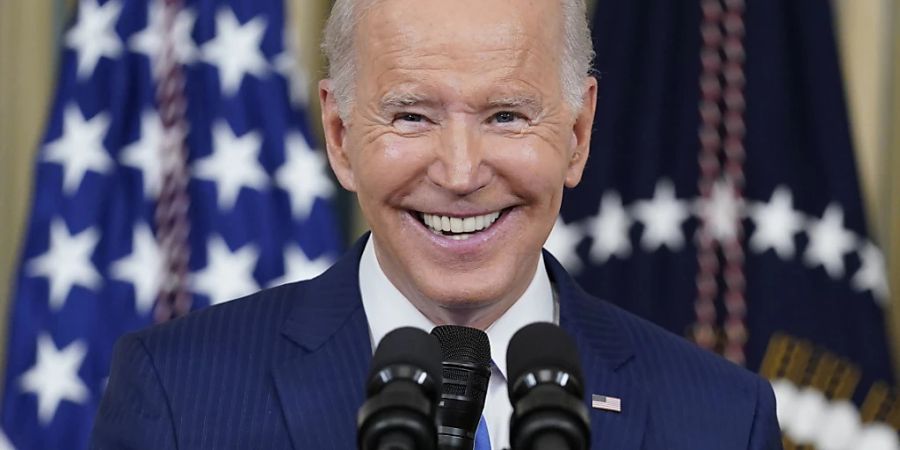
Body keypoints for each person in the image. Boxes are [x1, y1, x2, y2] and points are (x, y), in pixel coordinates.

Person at [91, 0, 782, 448]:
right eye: (412, 116)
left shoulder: (721, 419)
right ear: (339, 136)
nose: (458, 173)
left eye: (507, 116)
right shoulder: (177, 398)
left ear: (578, 132)